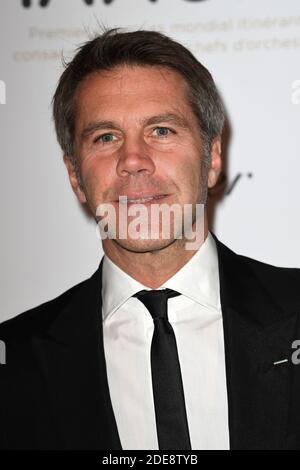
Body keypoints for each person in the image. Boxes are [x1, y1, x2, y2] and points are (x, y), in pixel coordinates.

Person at [1, 28, 300, 451]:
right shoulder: (14, 360)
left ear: (213, 157)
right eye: (106, 137)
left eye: (160, 130)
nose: (133, 161)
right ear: (75, 177)